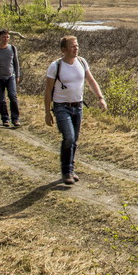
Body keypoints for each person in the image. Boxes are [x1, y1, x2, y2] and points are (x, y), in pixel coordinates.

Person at [44, 35, 107, 185]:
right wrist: (47, 112)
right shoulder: (55, 66)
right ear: (64, 49)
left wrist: (100, 98)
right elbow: (48, 90)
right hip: (61, 107)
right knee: (69, 137)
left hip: (78, 107)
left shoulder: (82, 62)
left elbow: (91, 81)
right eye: (72, 46)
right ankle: (66, 171)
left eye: (77, 45)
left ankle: (71, 170)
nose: (76, 48)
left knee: (74, 140)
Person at [0, 29, 20, 128]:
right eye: (4, 37)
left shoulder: (12, 48)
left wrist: (17, 75)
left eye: (7, 37)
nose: (6, 39)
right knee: (1, 99)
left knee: (13, 96)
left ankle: (15, 119)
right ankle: (5, 119)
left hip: (10, 77)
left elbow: (16, 63)